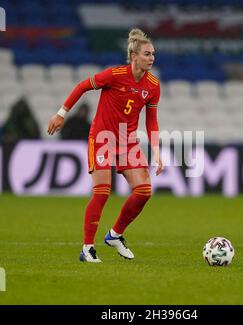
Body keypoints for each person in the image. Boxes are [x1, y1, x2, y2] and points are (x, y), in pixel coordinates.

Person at [48, 28, 163, 262]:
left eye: (153, 54)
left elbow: (151, 121)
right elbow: (82, 86)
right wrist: (61, 114)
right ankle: (87, 248)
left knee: (144, 191)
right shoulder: (114, 74)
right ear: (134, 56)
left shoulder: (153, 86)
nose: (152, 58)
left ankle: (115, 235)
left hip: (128, 141)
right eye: (147, 54)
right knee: (102, 193)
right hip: (102, 138)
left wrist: (157, 152)